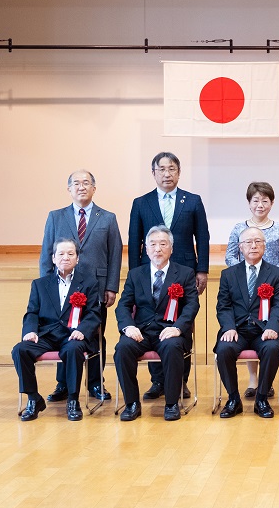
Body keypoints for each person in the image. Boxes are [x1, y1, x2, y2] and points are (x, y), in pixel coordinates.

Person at [128, 152, 210, 400]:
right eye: (161, 169)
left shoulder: (192, 201)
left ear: (179, 172)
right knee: (151, 322)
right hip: (150, 272)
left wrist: (202, 270)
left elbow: (202, 237)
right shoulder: (141, 203)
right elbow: (134, 240)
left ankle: (180, 380)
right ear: (153, 173)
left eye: (172, 169)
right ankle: (158, 381)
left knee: (180, 325)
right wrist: (135, 275)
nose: (167, 174)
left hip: (183, 274)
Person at [40, 170, 122, 403]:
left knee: (95, 335)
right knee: (61, 334)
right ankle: (63, 384)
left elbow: (115, 255)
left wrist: (111, 287)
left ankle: (96, 383)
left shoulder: (108, 218)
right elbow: (46, 254)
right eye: (76, 183)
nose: (81, 187)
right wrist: (47, 289)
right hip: (61, 288)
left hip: (96, 288)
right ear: (69, 189)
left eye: (86, 183)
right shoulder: (55, 217)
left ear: (94, 188)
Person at [114, 226, 200, 421]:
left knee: (172, 347)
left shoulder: (185, 273)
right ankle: (132, 403)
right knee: (122, 349)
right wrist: (128, 327)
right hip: (141, 332)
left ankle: (171, 403)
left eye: (163, 244)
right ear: (146, 249)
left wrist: (178, 328)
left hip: (170, 331)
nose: (158, 249)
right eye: (152, 244)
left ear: (171, 248)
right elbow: (123, 305)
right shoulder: (136, 274)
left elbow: (191, 305)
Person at [13, 238, 101, 421]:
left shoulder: (89, 283)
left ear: (77, 258)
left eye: (70, 254)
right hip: (47, 335)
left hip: (73, 336)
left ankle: (73, 400)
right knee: (20, 350)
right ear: (53, 258)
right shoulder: (39, 284)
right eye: (61, 254)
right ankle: (33, 399)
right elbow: (32, 313)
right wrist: (30, 331)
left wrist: (83, 330)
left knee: (73, 349)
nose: (65, 257)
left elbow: (94, 313)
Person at [225, 181, 279, 399]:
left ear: (272, 203)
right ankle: (253, 379)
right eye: (256, 200)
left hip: (272, 289)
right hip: (245, 287)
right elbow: (230, 255)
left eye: (265, 200)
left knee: (267, 332)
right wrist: (244, 274)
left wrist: (272, 275)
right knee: (247, 326)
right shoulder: (239, 228)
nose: (260, 205)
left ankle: (266, 381)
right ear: (249, 203)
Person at [215, 227, 279, 419]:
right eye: (248, 242)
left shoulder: (276, 274)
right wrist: (229, 327)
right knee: (224, 349)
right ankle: (233, 399)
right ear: (240, 247)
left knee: (272, 348)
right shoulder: (228, 274)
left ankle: (261, 399)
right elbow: (223, 306)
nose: (253, 246)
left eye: (258, 242)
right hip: (237, 330)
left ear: (265, 246)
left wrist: (272, 327)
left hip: (263, 330)